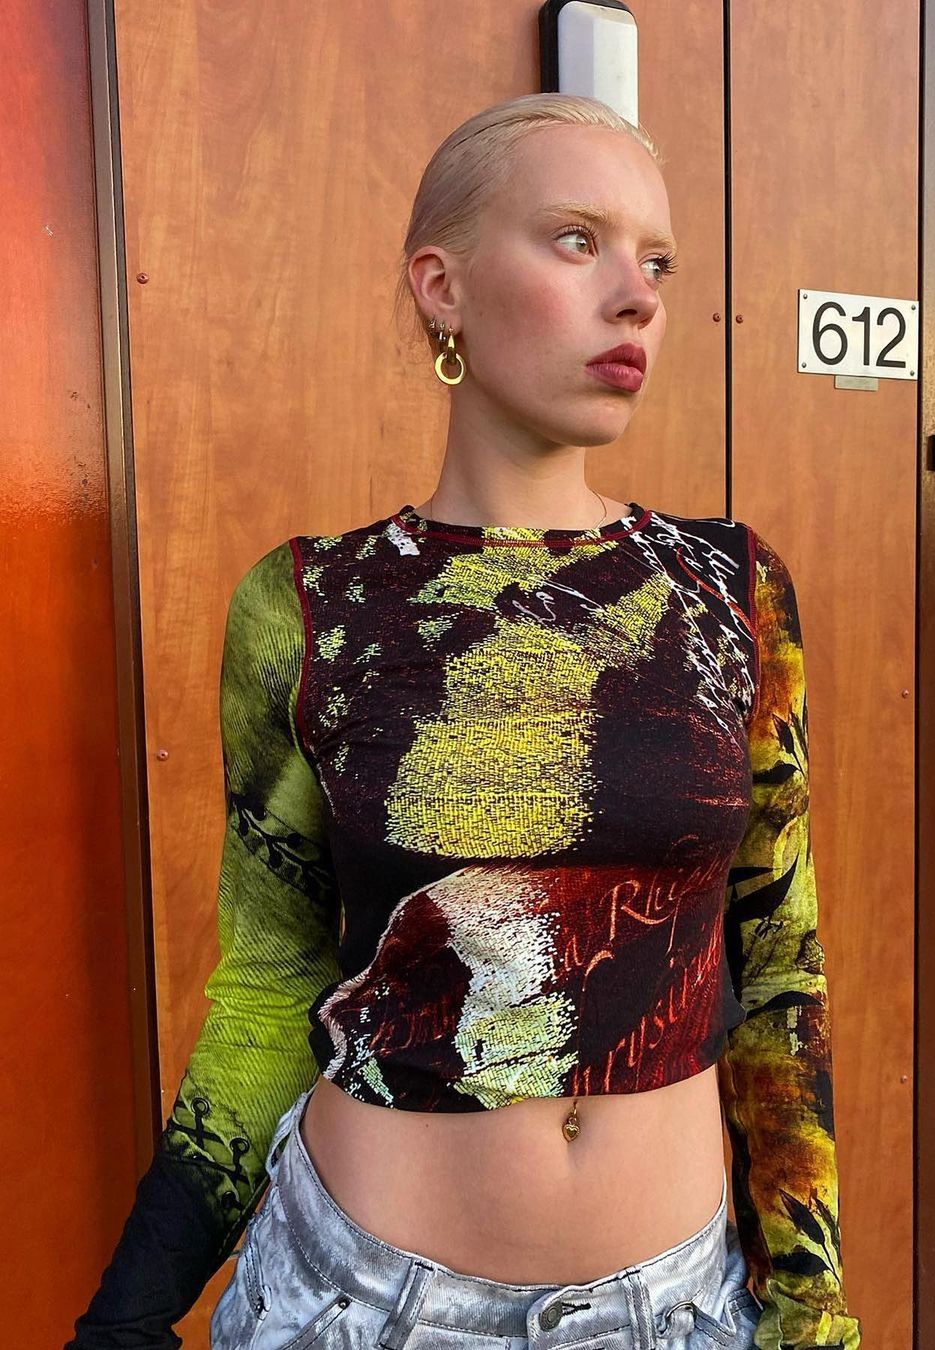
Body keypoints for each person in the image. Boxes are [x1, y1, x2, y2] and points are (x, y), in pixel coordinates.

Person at [67, 92, 862, 1350]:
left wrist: (812, 1305)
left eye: (657, 261)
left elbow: (780, 964)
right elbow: (275, 982)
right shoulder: (309, 606)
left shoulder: (729, 589)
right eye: (577, 240)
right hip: (364, 1302)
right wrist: (130, 1309)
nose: (638, 297)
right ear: (441, 287)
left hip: (676, 1308)